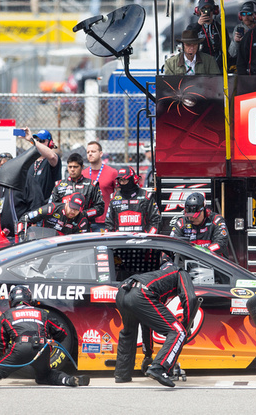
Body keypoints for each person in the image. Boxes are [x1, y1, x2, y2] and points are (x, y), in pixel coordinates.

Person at [0, 285, 90, 390]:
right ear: (29, 298)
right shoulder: (42, 313)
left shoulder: (7, 314)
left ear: (12, 300)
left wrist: (6, 360)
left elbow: (2, 343)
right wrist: (52, 341)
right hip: (42, 348)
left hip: (19, 348)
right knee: (45, 376)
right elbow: (62, 331)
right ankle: (68, 380)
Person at [114, 254, 196, 386]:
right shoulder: (179, 272)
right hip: (140, 293)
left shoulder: (155, 276)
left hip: (123, 291)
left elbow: (147, 323)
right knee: (178, 332)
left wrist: (148, 355)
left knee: (128, 332)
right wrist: (186, 325)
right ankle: (159, 368)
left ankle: (122, 374)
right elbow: (190, 298)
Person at [14, 128, 61, 220]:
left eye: (42, 141)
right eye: (37, 140)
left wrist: (32, 140)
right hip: (31, 210)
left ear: (50, 143)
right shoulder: (30, 162)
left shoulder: (52, 160)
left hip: (48, 209)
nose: (38, 143)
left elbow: (52, 156)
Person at [50, 152, 104, 221]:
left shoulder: (92, 185)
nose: (72, 169)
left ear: (82, 167)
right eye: (70, 167)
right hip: (62, 224)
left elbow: (100, 207)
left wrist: (83, 214)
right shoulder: (59, 184)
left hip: (84, 224)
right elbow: (52, 205)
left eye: (75, 167)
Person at [105, 167, 161, 233]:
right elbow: (109, 224)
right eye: (120, 180)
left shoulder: (146, 196)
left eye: (125, 180)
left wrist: (149, 237)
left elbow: (156, 221)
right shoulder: (114, 198)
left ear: (133, 180)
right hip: (120, 240)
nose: (122, 183)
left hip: (142, 239)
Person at [83, 141, 119, 232]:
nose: (90, 154)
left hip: (105, 221)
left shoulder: (112, 172)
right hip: (86, 220)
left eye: (93, 151)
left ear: (100, 154)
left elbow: (119, 195)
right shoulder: (83, 174)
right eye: (88, 152)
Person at [20, 192, 90, 237]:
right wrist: (22, 235)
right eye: (71, 207)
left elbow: (81, 242)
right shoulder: (51, 209)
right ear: (67, 202)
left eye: (76, 209)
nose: (72, 211)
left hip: (65, 249)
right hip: (45, 243)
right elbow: (25, 218)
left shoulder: (82, 221)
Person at [190, 0, 230, 68]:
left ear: (214, 11)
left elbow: (227, 49)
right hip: (198, 67)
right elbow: (187, 42)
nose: (206, 12)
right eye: (203, 9)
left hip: (216, 67)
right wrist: (198, 25)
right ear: (198, 11)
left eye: (209, 9)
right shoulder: (192, 28)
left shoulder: (220, 28)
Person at [227, 0, 256, 65]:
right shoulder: (238, 28)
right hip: (244, 64)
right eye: (243, 14)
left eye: (249, 14)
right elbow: (232, 54)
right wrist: (236, 42)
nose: (246, 17)